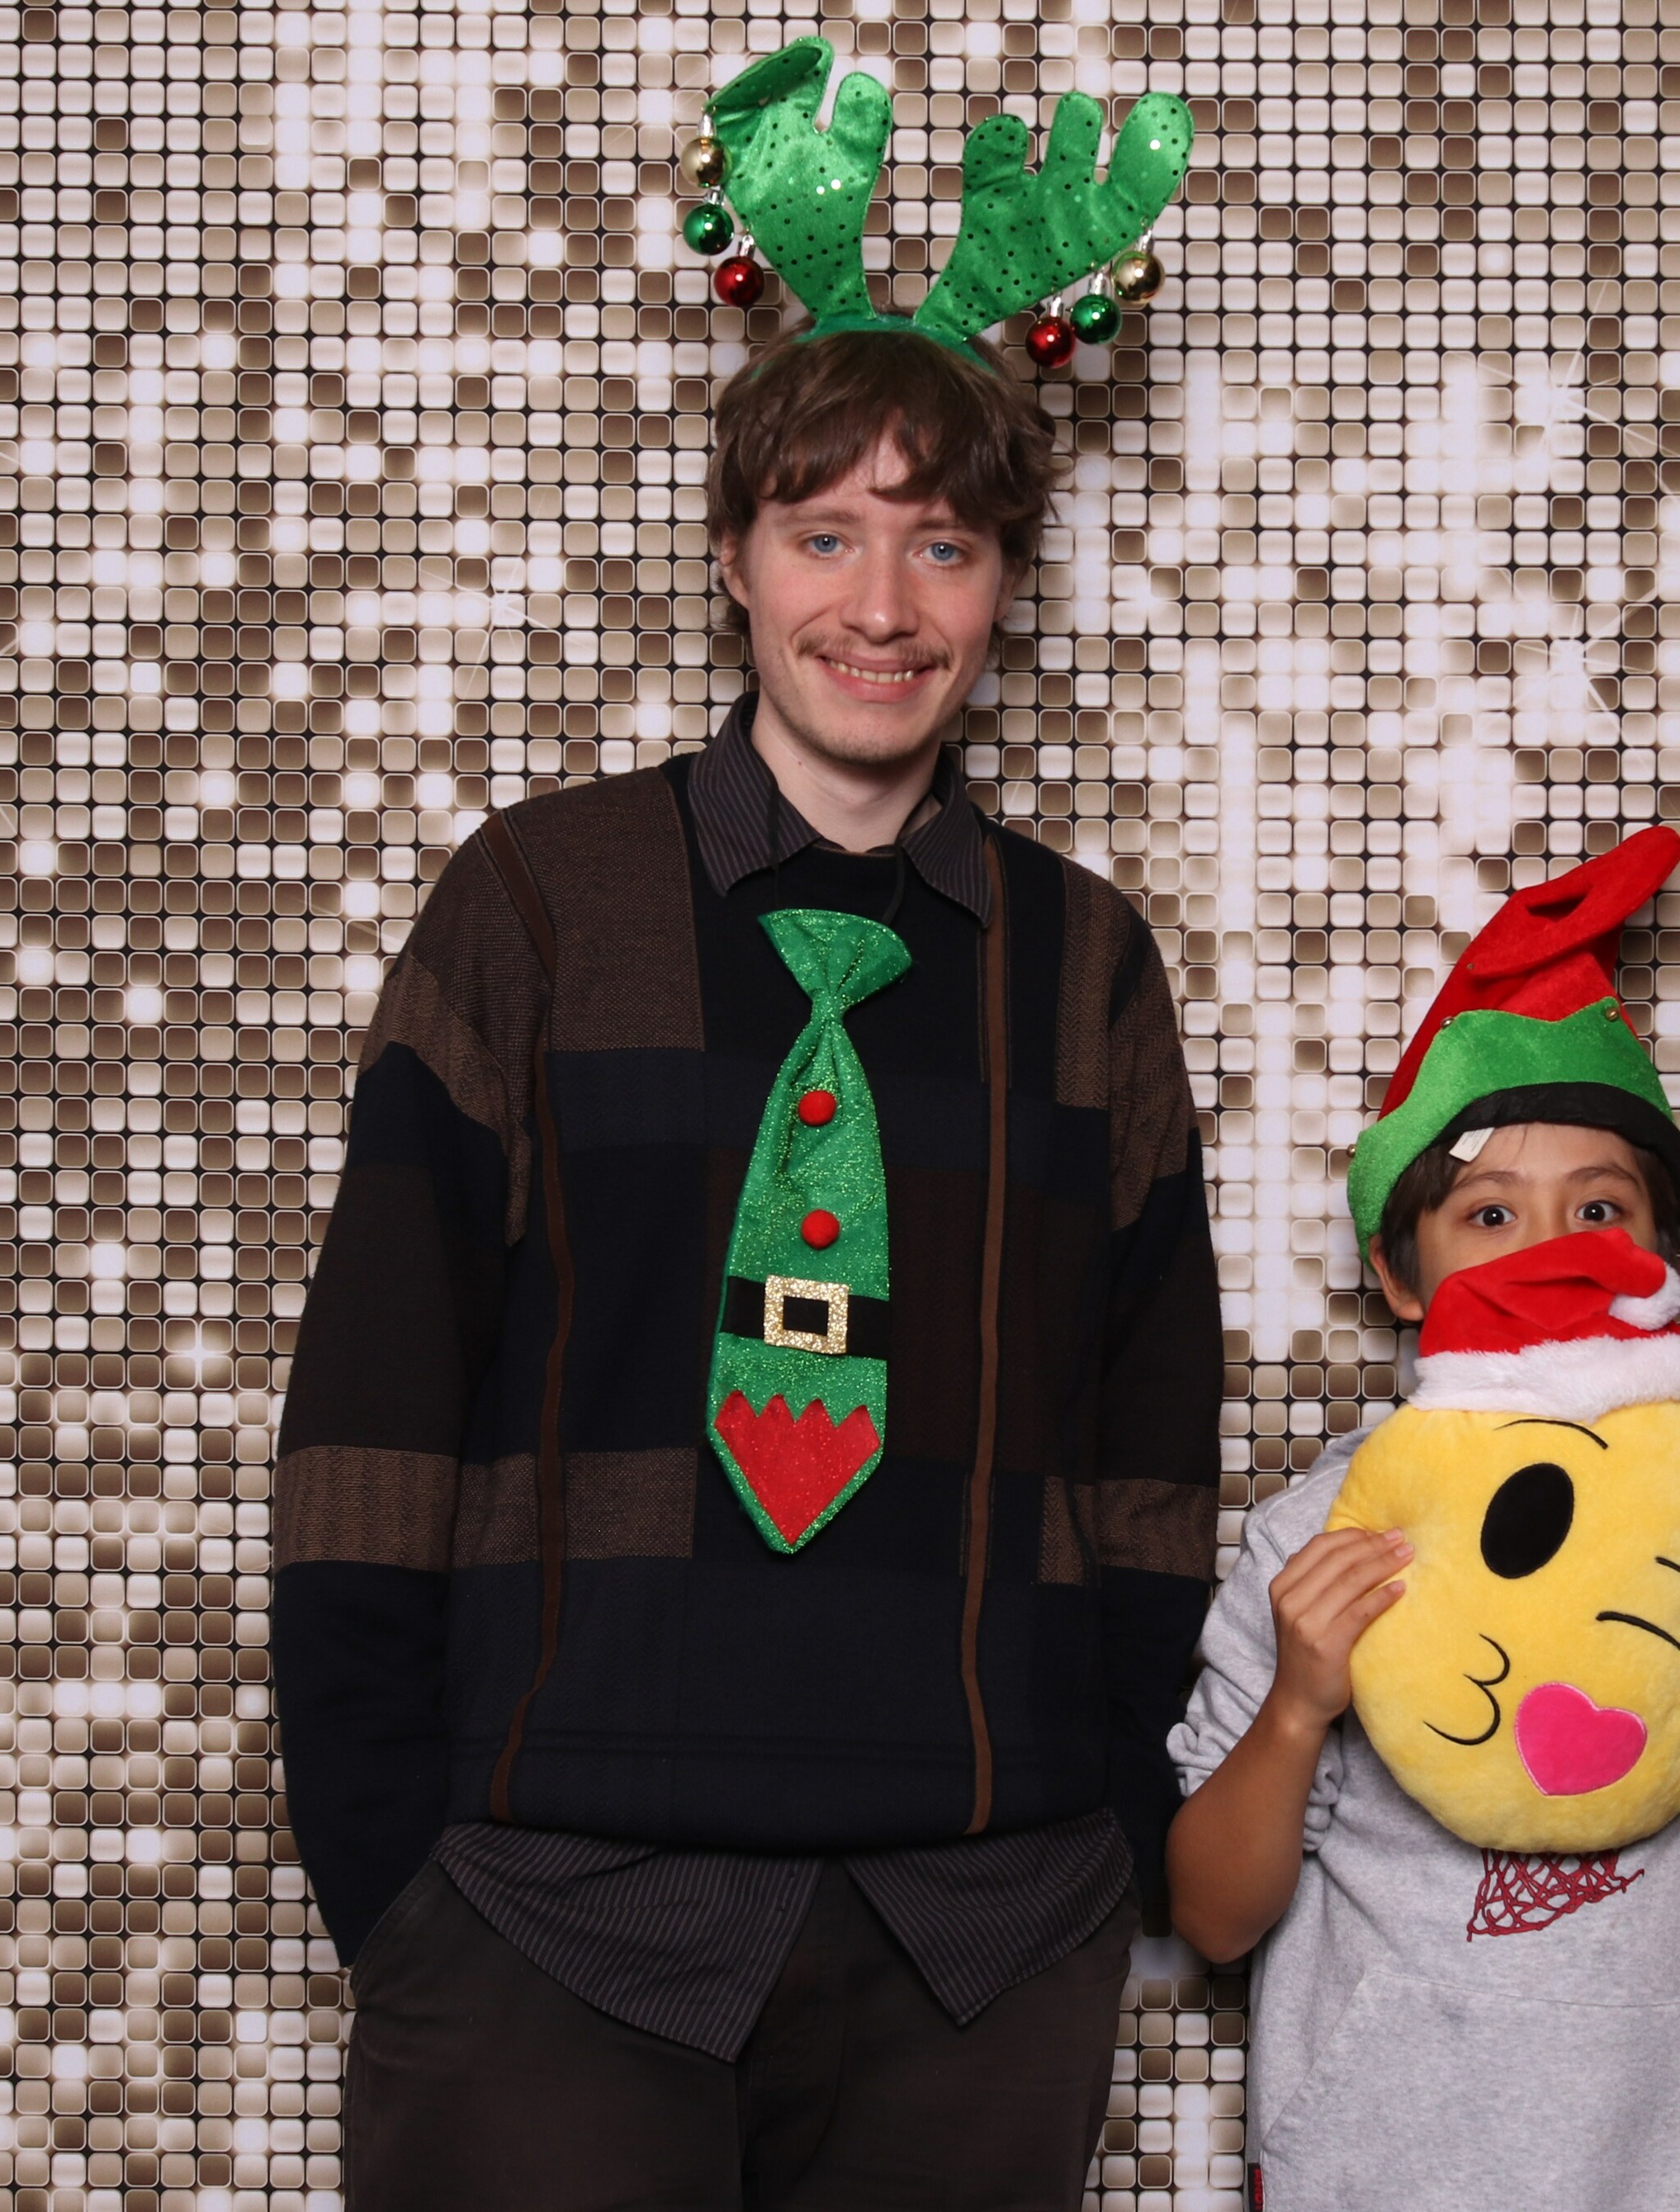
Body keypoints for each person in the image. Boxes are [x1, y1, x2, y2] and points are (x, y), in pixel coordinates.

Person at [268, 317, 1223, 2200]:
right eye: (823, 534)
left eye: (942, 545)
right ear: (733, 557)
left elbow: (1147, 1447)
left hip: (979, 1935)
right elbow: (377, 1401)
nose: (882, 605)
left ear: (1003, 584)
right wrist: (395, 1877)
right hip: (550, 1916)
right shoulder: (539, 904)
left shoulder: (1084, 966)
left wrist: (1107, 1829)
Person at [1165, 832, 1680, 2210]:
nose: (1549, 1253)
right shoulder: (1316, 1539)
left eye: (1598, 1208)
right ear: (1401, 1272)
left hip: (1657, 2180)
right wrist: (1297, 1709)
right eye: (1490, 1213)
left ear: (1659, 1256)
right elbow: (1212, 1917)